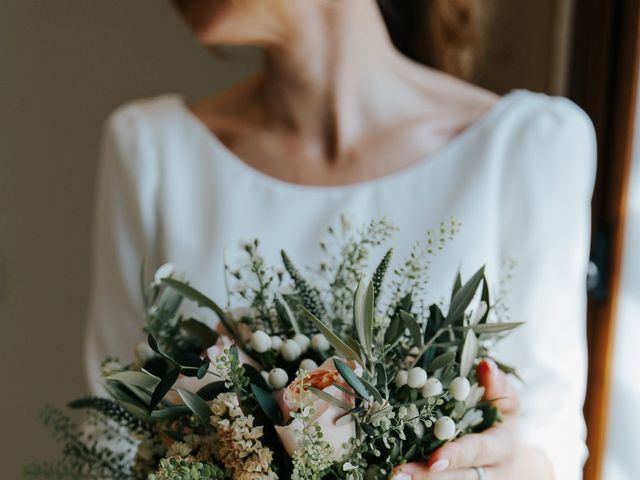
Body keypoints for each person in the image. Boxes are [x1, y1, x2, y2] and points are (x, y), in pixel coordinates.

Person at [84, 1, 597, 479]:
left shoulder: (530, 146)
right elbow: (111, 435)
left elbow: (551, 443)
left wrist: (485, 465)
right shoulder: (152, 152)